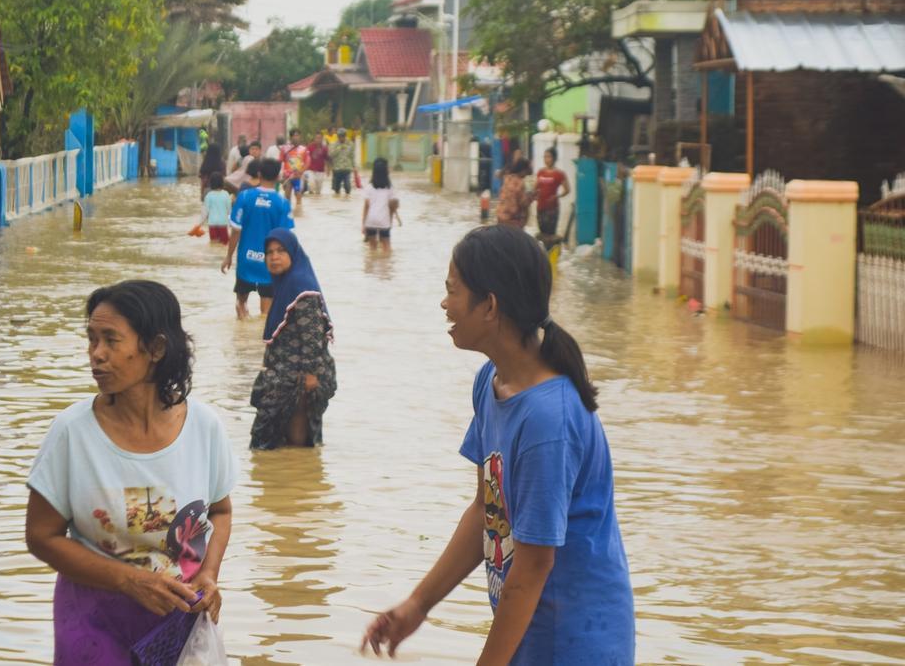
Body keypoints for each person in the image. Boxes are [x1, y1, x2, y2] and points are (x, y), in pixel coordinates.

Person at [361, 225, 633, 665]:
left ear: (489, 305)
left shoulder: (549, 420)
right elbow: (486, 511)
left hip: (577, 644)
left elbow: (531, 569)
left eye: (452, 291)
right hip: (529, 633)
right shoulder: (491, 382)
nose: (445, 304)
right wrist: (418, 605)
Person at [26, 281, 237, 665]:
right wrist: (127, 580)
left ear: (155, 348)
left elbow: (220, 512)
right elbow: (41, 536)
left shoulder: (204, 427)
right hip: (93, 619)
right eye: (91, 340)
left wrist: (208, 574)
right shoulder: (72, 433)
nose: (96, 355)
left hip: (179, 619)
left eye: (111, 340)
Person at [250, 229, 337, 450]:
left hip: (299, 380)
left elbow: (313, 336)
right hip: (283, 376)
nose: (274, 257)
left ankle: (299, 480)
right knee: (278, 441)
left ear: (293, 253)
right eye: (269, 252)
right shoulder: (286, 284)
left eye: (281, 251)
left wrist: (309, 377)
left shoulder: (301, 288)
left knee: (295, 443)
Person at [222, 159, 295, 319]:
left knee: (241, 304)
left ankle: (241, 338)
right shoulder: (282, 203)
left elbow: (235, 231)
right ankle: (258, 342)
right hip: (270, 263)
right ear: (278, 176)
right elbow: (285, 238)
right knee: (266, 314)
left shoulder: (244, 197)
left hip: (245, 261)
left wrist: (228, 256)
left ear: (259, 174)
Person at [362, 158, 401, 250]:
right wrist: (390, 221)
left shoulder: (369, 187)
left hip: (370, 221)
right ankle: (386, 264)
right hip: (383, 221)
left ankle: (369, 264)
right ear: (385, 171)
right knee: (386, 248)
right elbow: (393, 206)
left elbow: (366, 207)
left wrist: (363, 224)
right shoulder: (390, 188)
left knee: (372, 249)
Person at [534, 148, 570, 247]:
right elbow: (535, 187)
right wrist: (535, 195)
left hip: (552, 209)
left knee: (550, 236)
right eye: (545, 157)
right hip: (540, 207)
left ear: (554, 158)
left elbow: (567, 190)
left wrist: (557, 196)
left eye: (548, 157)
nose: (546, 159)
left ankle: (550, 257)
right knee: (542, 234)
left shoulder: (559, 174)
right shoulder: (540, 172)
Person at [496, 156, 534, 229]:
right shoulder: (520, 183)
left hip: (500, 216)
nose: (526, 175)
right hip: (512, 220)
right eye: (526, 172)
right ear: (523, 170)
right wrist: (532, 196)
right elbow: (523, 203)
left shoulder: (507, 178)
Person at [195, 172, 231, 244]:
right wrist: (231, 224)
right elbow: (229, 211)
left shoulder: (209, 196)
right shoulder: (226, 194)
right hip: (223, 224)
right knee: (224, 244)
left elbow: (204, 213)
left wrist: (199, 225)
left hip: (212, 224)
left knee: (214, 243)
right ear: (222, 182)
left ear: (211, 183)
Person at [281, 130, 307, 208]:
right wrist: (281, 175)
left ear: (300, 137)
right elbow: (280, 161)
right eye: (294, 136)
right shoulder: (284, 149)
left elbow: (307, 162)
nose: (296, 137)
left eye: (298, 135)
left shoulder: (303, 149)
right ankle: (287, 211)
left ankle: (298, 210)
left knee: (298, 195)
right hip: (287, 176)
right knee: (287, 196)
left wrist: (302, 171)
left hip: (298, 176)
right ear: (291, 137)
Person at [328, 128, 355, 196]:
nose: (341, 138)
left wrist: (354, 167)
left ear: (345, 136)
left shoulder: (350, 144)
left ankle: (347, 200)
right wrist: (339, 148)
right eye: (340, 136)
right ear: (338, 136)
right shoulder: (334, 144)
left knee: (348, 187)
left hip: (347, 169)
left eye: (343, 136)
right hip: (337, 169)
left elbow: (352, 156)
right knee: (336, 189)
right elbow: (331, 154)